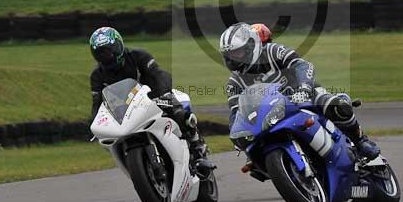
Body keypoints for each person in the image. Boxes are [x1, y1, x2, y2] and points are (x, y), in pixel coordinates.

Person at [219, 22, 380, 159]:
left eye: (237, 52)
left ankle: (361, 141)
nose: (234, 58)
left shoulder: (273, 51)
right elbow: (236, 113)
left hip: (303, 94)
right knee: (252, 156)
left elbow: (303, 66)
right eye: (230, 55)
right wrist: (237, 136)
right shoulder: (234, 83)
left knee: (335, 105)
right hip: (271, 113)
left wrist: (303, 88)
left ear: (250, 47)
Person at [89, 26, 213, 171]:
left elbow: (158, 75)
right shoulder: (97, 75)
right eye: (101, 53)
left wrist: (164, 94)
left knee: (179, 113)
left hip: (153, 96)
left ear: (119, 45)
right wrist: (95, 125)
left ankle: (197, 147)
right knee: (110, 140)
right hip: (125, 111)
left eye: (110, 50)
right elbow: (97, 102)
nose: (107, 56)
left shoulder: (138, 56)